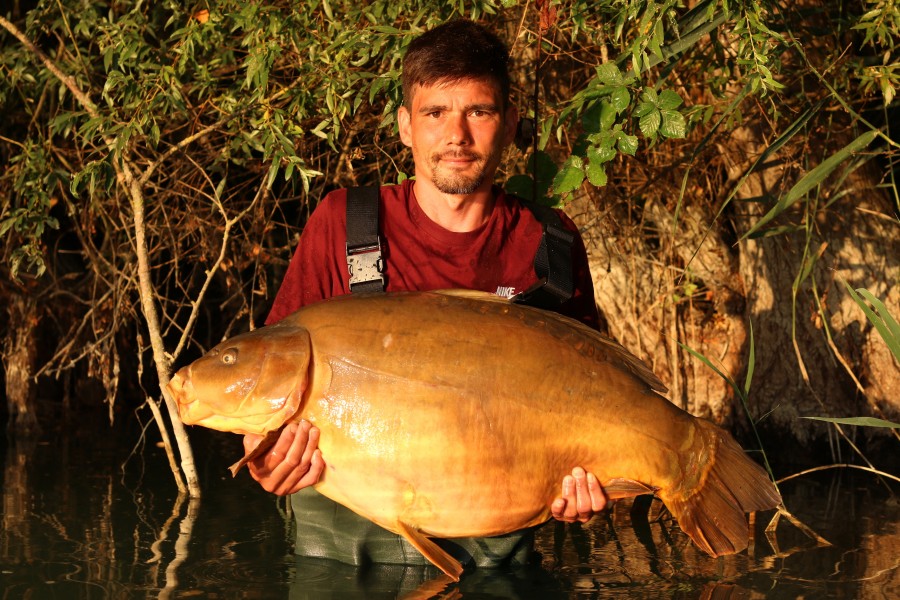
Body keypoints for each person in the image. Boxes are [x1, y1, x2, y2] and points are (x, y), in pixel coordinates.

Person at [245, 18, 608, 571]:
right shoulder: (343, 223)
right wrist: (264, 459)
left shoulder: (548, 242)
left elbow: (597, 402)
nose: (456, 135)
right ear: (406, 126)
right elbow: (267, 385)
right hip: (341, 560)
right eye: (435, 113)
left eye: (479, 112)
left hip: (495, 556)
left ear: (509, 124)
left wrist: (584, 494)